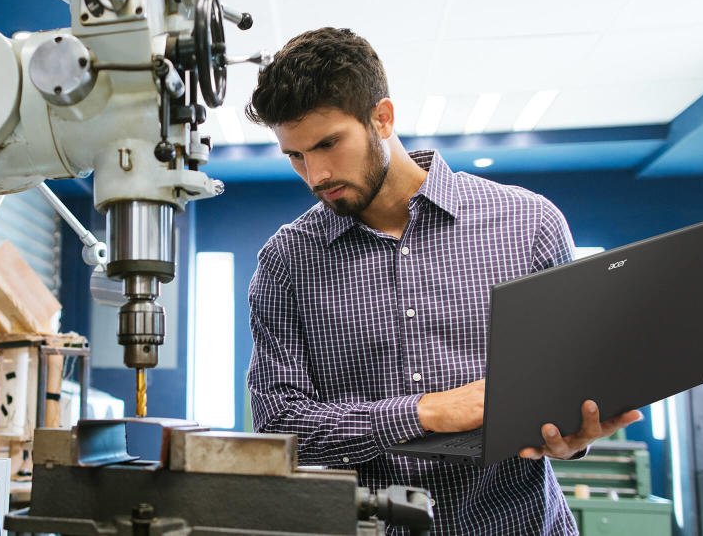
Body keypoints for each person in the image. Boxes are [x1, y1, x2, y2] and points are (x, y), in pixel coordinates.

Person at [244, 27, 642, 535]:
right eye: (295, 155)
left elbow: (572, 379)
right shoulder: (286, 262)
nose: (315, 174)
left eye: (328, 144)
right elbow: (281, 427)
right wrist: (424, 412)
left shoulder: (529, 223)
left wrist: (572, 435)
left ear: (382, 118)